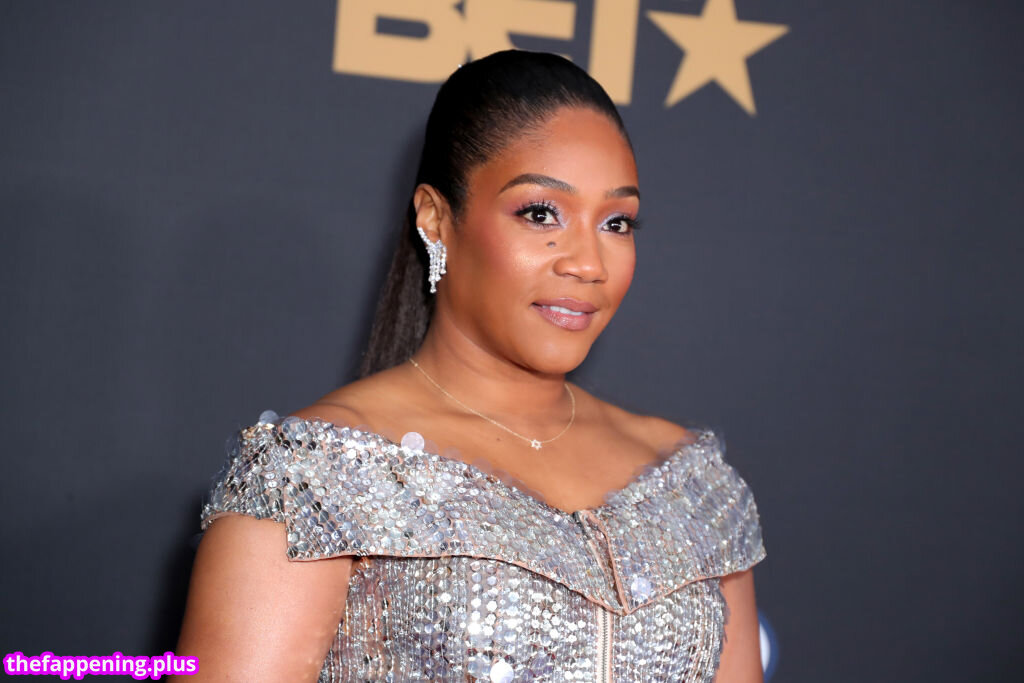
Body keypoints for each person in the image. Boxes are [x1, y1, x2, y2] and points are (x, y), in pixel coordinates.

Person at [174, 49, 767, 682]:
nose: (588, 263)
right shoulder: (311, 479)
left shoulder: (692, 484)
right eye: (540, 213)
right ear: (435, 218)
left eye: (617, 222)